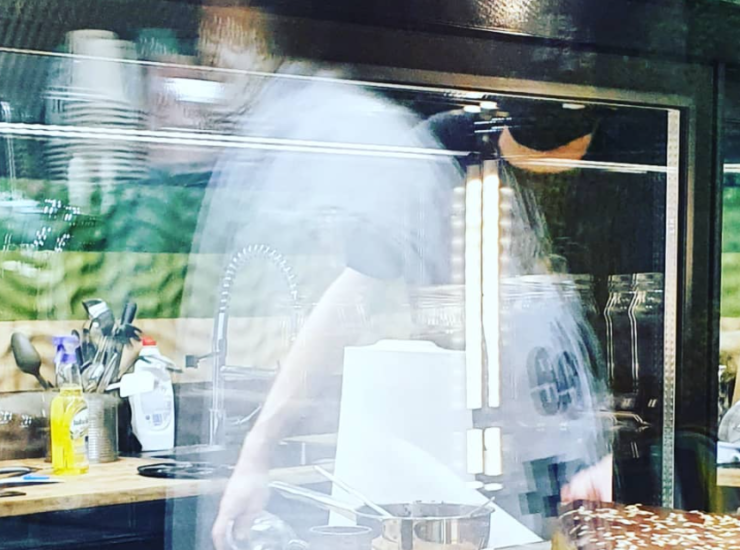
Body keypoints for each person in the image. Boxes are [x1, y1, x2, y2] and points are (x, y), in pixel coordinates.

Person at [186, 4, 615, 548]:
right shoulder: (450, 148)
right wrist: (258, 451)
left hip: (590, 467)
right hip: (487, 479)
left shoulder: (648, 156)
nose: (547, 172)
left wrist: (612, 466)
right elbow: (345, 305)